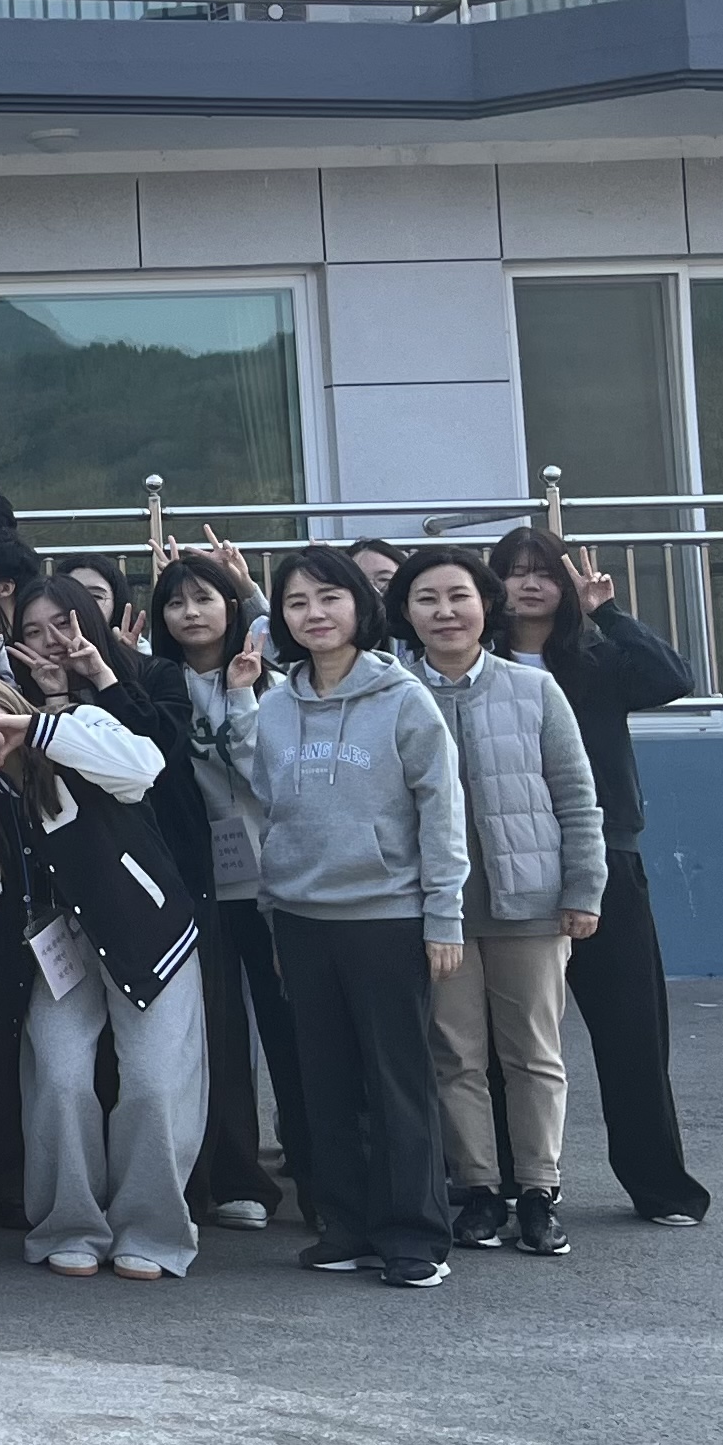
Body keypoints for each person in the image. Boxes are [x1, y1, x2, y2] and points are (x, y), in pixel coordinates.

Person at [0, 660, 205, 1280]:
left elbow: (144, 768)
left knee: (154, 1080)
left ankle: (153, 1230)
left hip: (146, 932)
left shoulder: (78, 725)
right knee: (59, 1076)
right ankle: (69, 1223)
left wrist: (36, 730)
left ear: (1, 695)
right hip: (58, 952)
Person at [248, 547, 469, 1291]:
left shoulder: (404, 699)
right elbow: (270, 815)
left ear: (359, 606)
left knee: (397, 1081)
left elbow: (441, 811)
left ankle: (413, 1236)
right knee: (326, 1081)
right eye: (297, 602)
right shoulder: (274, 708)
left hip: (388, 916)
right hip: (302, 918)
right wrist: (275, 914)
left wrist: (443, 916)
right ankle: (344, 1225)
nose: (314, 614)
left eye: (329, 597)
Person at [488, 525, 709, 1229]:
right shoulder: (477, 663)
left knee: (632, 1032)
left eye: (543, 572)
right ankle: (509, 1184)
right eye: (514, 571)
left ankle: (661, 1186)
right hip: (506, 863)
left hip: (606, 858)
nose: (529, 584)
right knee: (505, 1042)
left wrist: (607, 612)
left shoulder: (597, 658)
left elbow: (673, 679)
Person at [392, 547, 605, 1259]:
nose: (445, 612)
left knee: (534, 1054)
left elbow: (576, 797)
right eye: (427, 599)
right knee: (454, 1054)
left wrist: (583, 888)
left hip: (531, 903)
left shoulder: (533, 689)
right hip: (438, 907)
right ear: (406, 613)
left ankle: (540, 1190)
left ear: (486, 604)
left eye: (459, 596)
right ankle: (480, 1188)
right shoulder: (393, 692)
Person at [141, 550, 303, 1232]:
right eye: (176, 603)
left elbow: (268, 773)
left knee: (293, 1025)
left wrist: (241, 694)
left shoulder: (276, 682)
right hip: (197, 878)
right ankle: (234, 1177)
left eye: (204, 599)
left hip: (277, 875)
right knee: (219, 1030)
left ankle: (320, 1175)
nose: (190, 613)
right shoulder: (157, 684)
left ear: (232, 608)